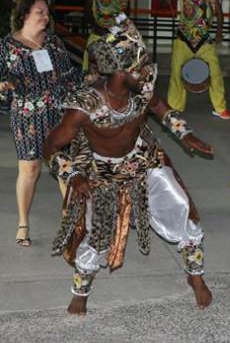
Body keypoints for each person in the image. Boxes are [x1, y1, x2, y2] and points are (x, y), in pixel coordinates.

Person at [44, 16, 213, 315]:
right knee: (98, 234)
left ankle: (196, 275)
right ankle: (81, 290)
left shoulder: (141, 89)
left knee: (181, 209)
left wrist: (184, 133)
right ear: (121, 71)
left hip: (144, 161)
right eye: (140, 69)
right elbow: (50, 146)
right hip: (102, 172)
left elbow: (158, 105)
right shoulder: (85, 106)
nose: (147, 75)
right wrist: (72, 175)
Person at [0, 0, 81, 247]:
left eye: (47, 12)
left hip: (58, 114)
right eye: (40, 12)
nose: (46, 17)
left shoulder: (54, 43)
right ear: (25, 15)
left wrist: (86, 86)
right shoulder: (8, 45)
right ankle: (23, 223)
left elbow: (69, 76)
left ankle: (70, 223)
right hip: (26, 116)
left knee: (64, 168)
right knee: (30, 170)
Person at [167, 0, 230, 120]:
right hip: (184, 38)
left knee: (215, 72)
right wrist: (171, 7)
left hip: (204, 39)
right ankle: (174, 107)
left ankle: (220, 107)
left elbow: (218, 11)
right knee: (176, 73)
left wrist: (219, 31)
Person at [83, 0, 131, 73]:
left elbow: (126, 11)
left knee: (119, 73)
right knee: (97, 74)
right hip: (99, 35)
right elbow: (87, 11)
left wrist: (119, 29)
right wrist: (98, 27)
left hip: (118, 36)